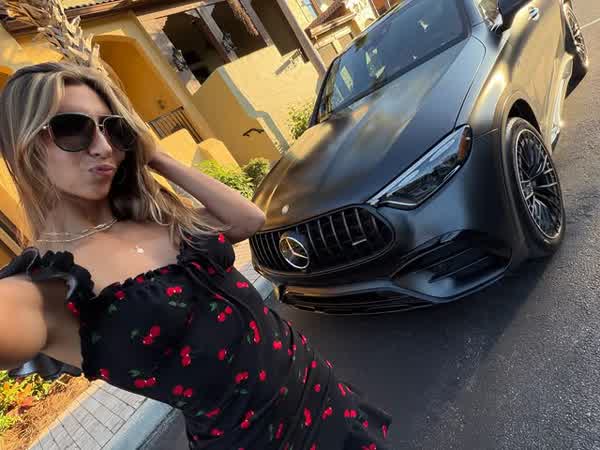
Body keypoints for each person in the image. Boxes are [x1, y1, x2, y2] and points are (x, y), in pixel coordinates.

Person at [0, 62, 392, 450]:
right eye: (73, 128)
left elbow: (247, 219)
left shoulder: (154, 218)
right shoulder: (44, 289)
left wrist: (155, 156)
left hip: (325, 398)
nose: (104, 147)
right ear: (25, 142)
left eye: (114, 129)